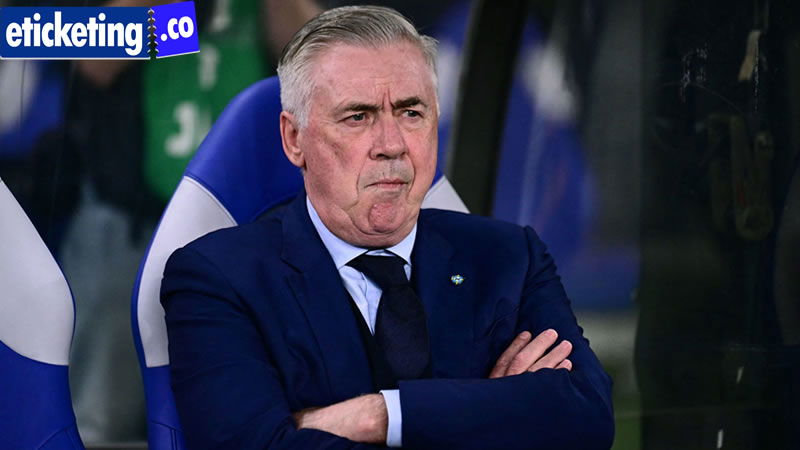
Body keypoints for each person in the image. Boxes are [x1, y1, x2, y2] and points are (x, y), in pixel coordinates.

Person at [160, 5, 614, 449]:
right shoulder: (218, 278)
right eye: (358, 117)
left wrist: (378, 416)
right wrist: (488, 411)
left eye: (411, 112)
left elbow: (588, 416)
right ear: (294, 139)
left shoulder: (510, 257)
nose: (392, 144)